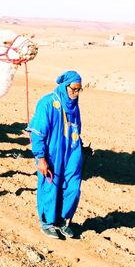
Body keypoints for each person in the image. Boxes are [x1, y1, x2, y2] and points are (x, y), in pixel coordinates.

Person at [27, 71, 89, 239]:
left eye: (79, 90)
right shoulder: (47, 103)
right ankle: (47, 223)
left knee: (73, 188)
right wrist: (41, 159)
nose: (76, 93)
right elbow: (37, 133)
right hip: (51, 154)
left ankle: (62, 221)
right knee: (50, 186)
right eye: (74, 89)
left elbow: (74, 129)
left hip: (71, 153)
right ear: (64, 86)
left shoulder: (74, 106)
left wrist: (81, 147)